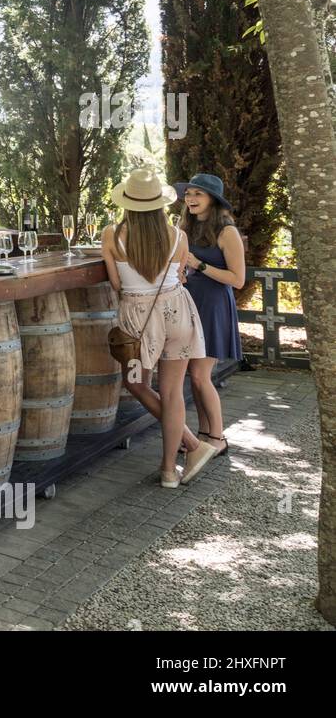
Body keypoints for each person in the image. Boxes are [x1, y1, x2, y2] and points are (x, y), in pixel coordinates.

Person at [101, 168, 217, 489]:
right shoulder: (179, 236)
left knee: (136, 383)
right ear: (160, 205)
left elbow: (115, 283)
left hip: (139, 318)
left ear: (127, 203)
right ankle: (170, 469)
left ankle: (193, 445)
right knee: (172, 393)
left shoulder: (112, 234)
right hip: (177, 310)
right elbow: (179, 276)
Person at [177, 174, 244, 458]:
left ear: (213, 200)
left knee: (202, 376)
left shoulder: (227, 232)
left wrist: (199, 265)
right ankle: (203, 435)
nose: (190, 199)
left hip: (214, 306)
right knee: (194, 377)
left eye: (198, 195)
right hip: (190, 304)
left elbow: (237, 279)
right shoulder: (185, 227)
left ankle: (218, 437)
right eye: (189, 193)